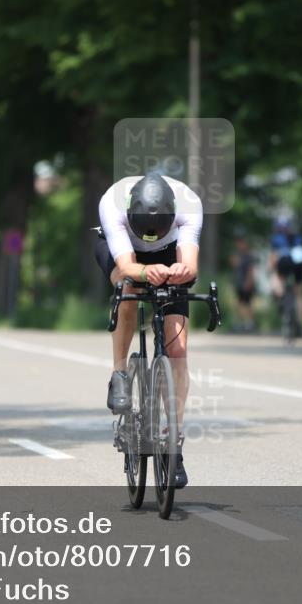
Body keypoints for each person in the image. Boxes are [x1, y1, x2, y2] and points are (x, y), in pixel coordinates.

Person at [95, 172, 202, 488]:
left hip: (170, 252)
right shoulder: (112, 204)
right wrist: (143, 271)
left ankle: (174, 442)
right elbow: (128, 266)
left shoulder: (189, 204)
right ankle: (120, 373)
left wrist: (182, 270)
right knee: (128, 288)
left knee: (178, 348)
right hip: (123, 252)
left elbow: (191, 264)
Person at [268, 215, 302, 336]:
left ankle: (282, 299)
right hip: (298, 264)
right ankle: (299, 323)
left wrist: (271, 270)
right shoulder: (298, 237)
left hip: (284, 263)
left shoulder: (276, 239)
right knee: (300, 294)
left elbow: (273, 258)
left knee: (276, 278)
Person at [230, 229, 257, 332]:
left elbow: (251, 270)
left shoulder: (248, 255)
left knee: (247, 304)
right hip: (239, 282)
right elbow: (233, 264)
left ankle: (249, 323)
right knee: (240, 303)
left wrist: (249, 282)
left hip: (246, 283)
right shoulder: (238, 255)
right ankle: (241, 323)